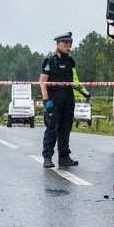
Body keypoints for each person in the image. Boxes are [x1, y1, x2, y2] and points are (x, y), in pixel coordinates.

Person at [38, 31, 89, 168]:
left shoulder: (70, 61)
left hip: (68, 99)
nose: (68, 46)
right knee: (52, 129)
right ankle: (47, 157)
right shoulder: (50, 61)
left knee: (65, 129)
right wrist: (46, 99)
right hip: (54, 100)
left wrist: (84, 92)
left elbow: (74, 80)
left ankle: (64, 157)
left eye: (70, 43)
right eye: (65, 43)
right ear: (58, 44)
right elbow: (42, 81)